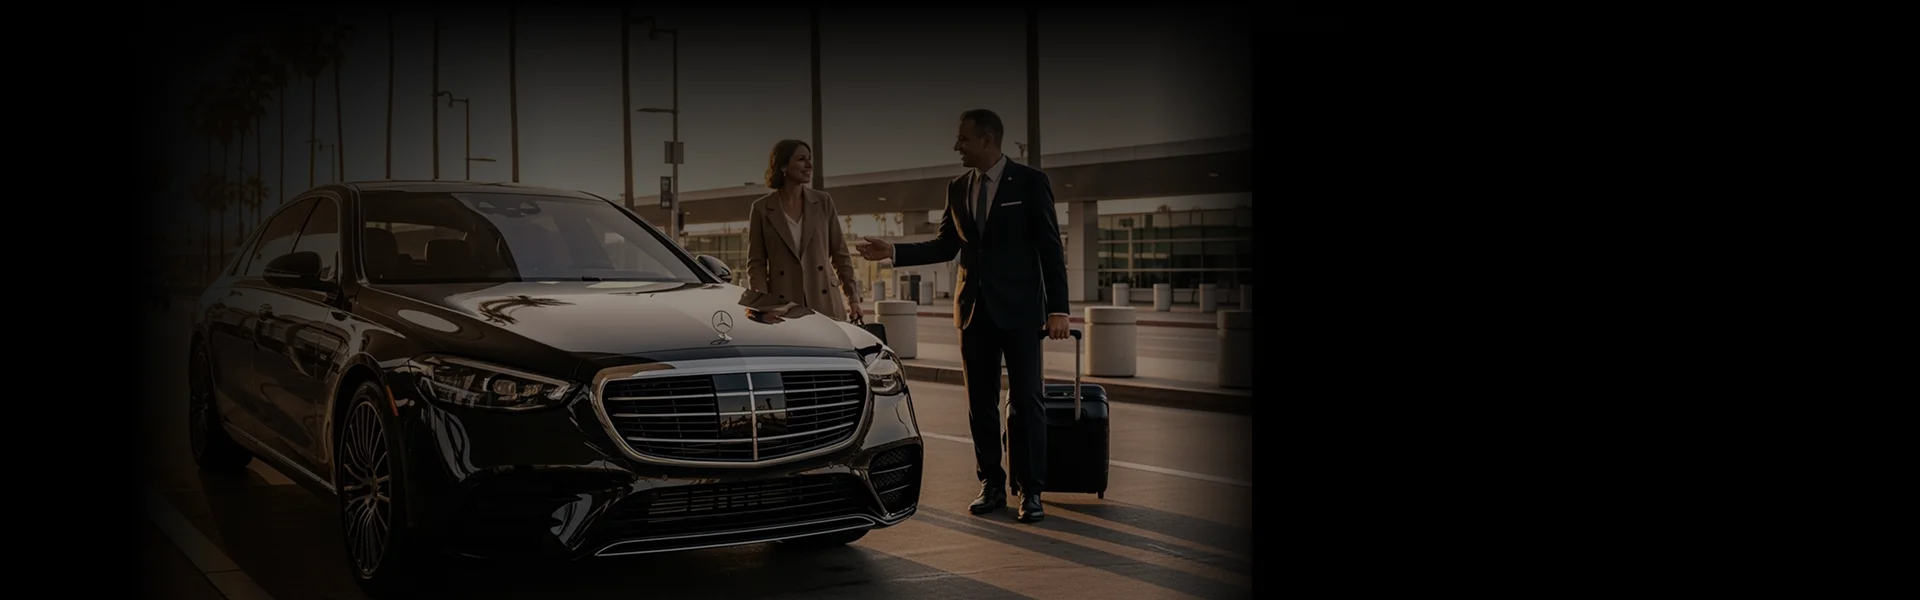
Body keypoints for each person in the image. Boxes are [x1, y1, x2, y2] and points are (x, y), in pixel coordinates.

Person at [856, 109, 1070, 524]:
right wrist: (894, 252)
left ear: (987, 139)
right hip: (973, 311)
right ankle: (991, 483)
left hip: (1023, 313)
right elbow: (944, 246)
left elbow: (1050, 249)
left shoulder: (1029, 182)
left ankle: (1031, 490)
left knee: (1027, 402)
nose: (957, 146)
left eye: (963, 139)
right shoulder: (957, 188)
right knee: (980, 404)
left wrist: (1058, 309)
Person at [744, 139, 863, 322]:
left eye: (809, 159)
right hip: (783, 304)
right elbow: (756, 265)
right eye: (801, 159)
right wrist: (763, 306)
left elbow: (840, 254)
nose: (809, 165)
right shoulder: (761, 208)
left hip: (825, 300)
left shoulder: (823, 202)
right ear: (783, 165)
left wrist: (853, 298)